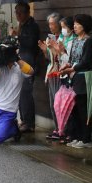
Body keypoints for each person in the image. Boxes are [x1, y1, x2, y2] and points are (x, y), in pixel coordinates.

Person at [59, 14, 92, 148]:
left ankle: (86, 139)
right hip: (73, 77)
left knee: (83, 109)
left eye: (77, 24)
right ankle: (77, 136)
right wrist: (67, 65)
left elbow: (86, 61)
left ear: (84, 26)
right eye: (74, 23)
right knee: (74, 109)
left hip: (83, 77)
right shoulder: (75, 40)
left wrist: (71, 68)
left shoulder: (89, 41)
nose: (74, 26)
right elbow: (72, 59)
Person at [9, 2, 40, 133]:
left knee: (26, 92)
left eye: (20, 12)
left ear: (27, 13)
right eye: (16, 12)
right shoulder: (22, 25)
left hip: (29, 62)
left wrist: (17, 35)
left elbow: (30, 43)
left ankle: (29, 122)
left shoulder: (32, 26)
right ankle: (24, 120)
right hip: (21, 61)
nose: (18, 15)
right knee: (21, 92)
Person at [38, 12, 62, 140]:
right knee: (53, 102)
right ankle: (57, 128)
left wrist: (54, 47)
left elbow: (62, 56)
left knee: (59, 103)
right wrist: (44, 50)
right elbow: (49, 57)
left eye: (53, 24)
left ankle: (62, 130)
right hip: (51, 71)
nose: (51, 26)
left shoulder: (63, 37)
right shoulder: (49, 38)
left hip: (60, 72)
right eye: (49, 24)